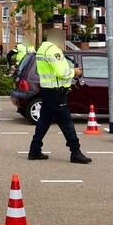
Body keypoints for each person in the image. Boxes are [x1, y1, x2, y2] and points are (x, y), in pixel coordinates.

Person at [28, 28, 92, 164]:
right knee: (67, 123)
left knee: (43, 122)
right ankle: (76, 152)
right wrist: (74, 71)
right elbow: (61, 72)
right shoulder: (54, 51)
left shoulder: (41, 49)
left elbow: (43, 71)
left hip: (47, 90)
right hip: (57, 92)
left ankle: (34, 150)